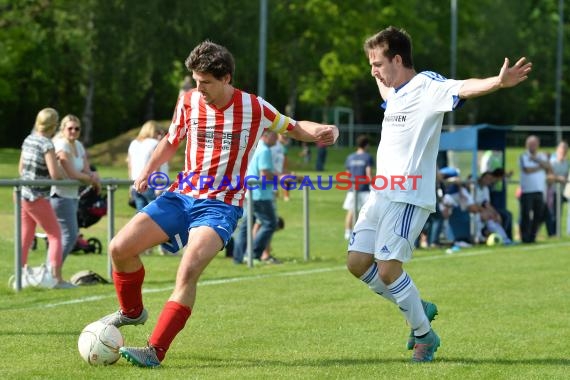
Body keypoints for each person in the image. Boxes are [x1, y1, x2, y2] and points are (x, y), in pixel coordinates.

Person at [97, 40, 338, 367]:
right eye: (196, 82)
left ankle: (154, 351)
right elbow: (171, 141)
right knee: (118, 248)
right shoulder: (188, 101)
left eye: (206, 82)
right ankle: (132, 312)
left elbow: (294, 127)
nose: (200, 89)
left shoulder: (254, 107)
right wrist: (148, 171)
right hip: (181, 195)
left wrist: (322, 130)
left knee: (188, 269)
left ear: (226, 79)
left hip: (220, 206)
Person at [347, 26, 531, 362]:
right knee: (357, 263)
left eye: (377, 63)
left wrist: (497, 82)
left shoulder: (426, 86)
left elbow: (462, 87)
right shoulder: (395, 93)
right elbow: (384, 85)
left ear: (398, 59)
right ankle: (419, 308)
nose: (372, 70)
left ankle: (424, 336)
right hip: (381, 195)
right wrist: (374, 61)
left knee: (388, 269)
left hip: (407, 196)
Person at [19, 108, 74, 288]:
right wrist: (58, 163)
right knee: (55, 235)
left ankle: (21, 274)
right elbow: (55, 175)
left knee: (26, 236)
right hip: (38, 196)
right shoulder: (46, 144)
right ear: (54, 125)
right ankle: (56, 279)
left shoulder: (29, 139)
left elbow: (21, 169)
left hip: (24, 194)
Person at [50, 114, 101, 263]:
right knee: (70, 236)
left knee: (67, 236)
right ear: (63, 129)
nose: (73, 131)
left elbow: (85, 169)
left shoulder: (78, 145)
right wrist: (93, 179)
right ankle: (53, 272)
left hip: (72, 196)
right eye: (70, 128)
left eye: (77, 128)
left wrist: (93, 175)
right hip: (58, 195)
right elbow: (72, 174)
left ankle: (53, 273)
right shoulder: (61, 144)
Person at [233, 130, 281, 264]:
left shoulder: (254, 147)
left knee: (246, 225)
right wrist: (281, 178)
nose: (277, 138)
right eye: (274, 135)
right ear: (266, 135)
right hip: (260, 194)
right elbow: (265, 175)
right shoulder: (264, 150)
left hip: (250, 191)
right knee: (270, 223)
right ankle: (253, 254)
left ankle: (238, 256)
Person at [519, 135, 550, 243]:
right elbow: (528, 170)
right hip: (527, 191)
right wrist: (540, 166)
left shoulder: (541, 156)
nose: (532, 146)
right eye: (530, 144)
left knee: (539, 215)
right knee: (526, 216)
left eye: (534, 144)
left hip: (539, 190)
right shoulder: (524, 156)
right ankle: (525, 238)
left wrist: (537, 160)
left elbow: (549, 167)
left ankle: (532, 237)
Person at [342, 135, 374, 240]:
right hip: (364, 188)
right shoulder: (367, 157)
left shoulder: (350, 157)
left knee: (351, 211)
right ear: (366, 145)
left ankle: (347, 233)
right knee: (368, 211)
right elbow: (368, 174)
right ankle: (367, 233)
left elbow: (347, 174)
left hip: (352, 189)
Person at [127, 120, 163, 211]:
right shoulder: (154, 143)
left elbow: (130, 166)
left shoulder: (133, 143)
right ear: (153, 131)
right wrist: (158, 185)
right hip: (149, 184)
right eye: (158, 132)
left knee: (140, 214)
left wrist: (130, 185)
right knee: (155, 214)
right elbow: (156, 164)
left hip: (136, 183)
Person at [545, 141, 568, 236]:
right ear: (557, 150)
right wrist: (559, 178)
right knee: (552, 214)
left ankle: (556, 233)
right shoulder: (552, 162)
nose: (563, 152)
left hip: (561, 192)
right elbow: (548, 176)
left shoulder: (566, 163)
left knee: (559, 214)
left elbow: (566, 175)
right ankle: (552, 233)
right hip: (551, 192)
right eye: (562, 150)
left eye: (565, 150)